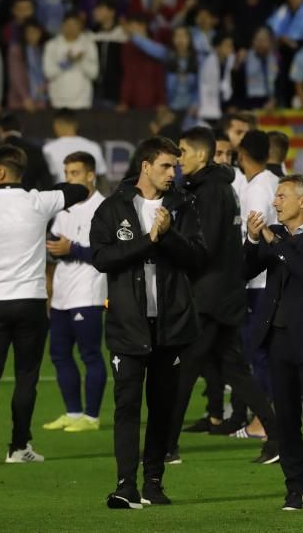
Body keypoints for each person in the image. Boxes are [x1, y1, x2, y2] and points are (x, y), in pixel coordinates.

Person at [89, 136, 207, 509]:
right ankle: (126, 485)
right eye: (166, 166)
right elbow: (102, 258)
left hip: (171, 324)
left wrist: (168, 236)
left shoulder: (183, 206)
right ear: (145, 165)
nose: (173, 173)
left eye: (175, 166)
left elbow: (199, 257)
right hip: (128, 324)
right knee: (127, 407)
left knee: (162, 407)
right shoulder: (113, 208)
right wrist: (148, 240)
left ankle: (153, 482)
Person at [0, 145, 89, 465]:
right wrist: (43, 193)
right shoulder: (38, 201)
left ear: (1, 171)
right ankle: (19, 446)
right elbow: (78, 189)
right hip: (31, 301)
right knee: (26, 376)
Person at [168, 127, 279, 465]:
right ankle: (280, 436)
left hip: (210, 295)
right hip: (220, 292)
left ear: (201, 155)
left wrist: (168, 245)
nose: (178, 158)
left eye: (184, 151)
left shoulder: (211, 192)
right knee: (235, 371)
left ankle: (165, 446)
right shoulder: (213, 187)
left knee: (185, 370)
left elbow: (206, 247)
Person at [244, 175, 303, 514]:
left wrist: (274, 242)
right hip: (278, 341)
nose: (275, 203)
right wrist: (253, 239)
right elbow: (244, 271)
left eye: (282, 196)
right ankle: (294, 488)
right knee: (285, 420)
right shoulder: (276, 238)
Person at [43, 152, 108, 433]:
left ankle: (91, 417)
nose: (69, 178)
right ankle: (72, 412)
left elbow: (108, 254)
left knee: (90, 353)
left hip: (89, 292)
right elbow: (55, 245)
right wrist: (54, 248)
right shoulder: (63, 208)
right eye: (67, 173)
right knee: (58, 353)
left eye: (75, 173)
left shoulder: (104, 208)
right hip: (62, 292)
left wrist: (73, 249)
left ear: (90, 175)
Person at [237, 130, 281, 408]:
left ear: (241, 155)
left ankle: (265, 420)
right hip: (275, 279)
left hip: (260, 282)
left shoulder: (255, 188)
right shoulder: (275, 181)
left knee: (259, 352)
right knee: (270, 351)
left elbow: (257, 231)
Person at [43, 109, 108, 185]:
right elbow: (102, 179)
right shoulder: (93, 147)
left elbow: (46, 180)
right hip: (88, 195)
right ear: (76, 125)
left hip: (61, 195)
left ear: (56, 125)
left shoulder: (47, 149)